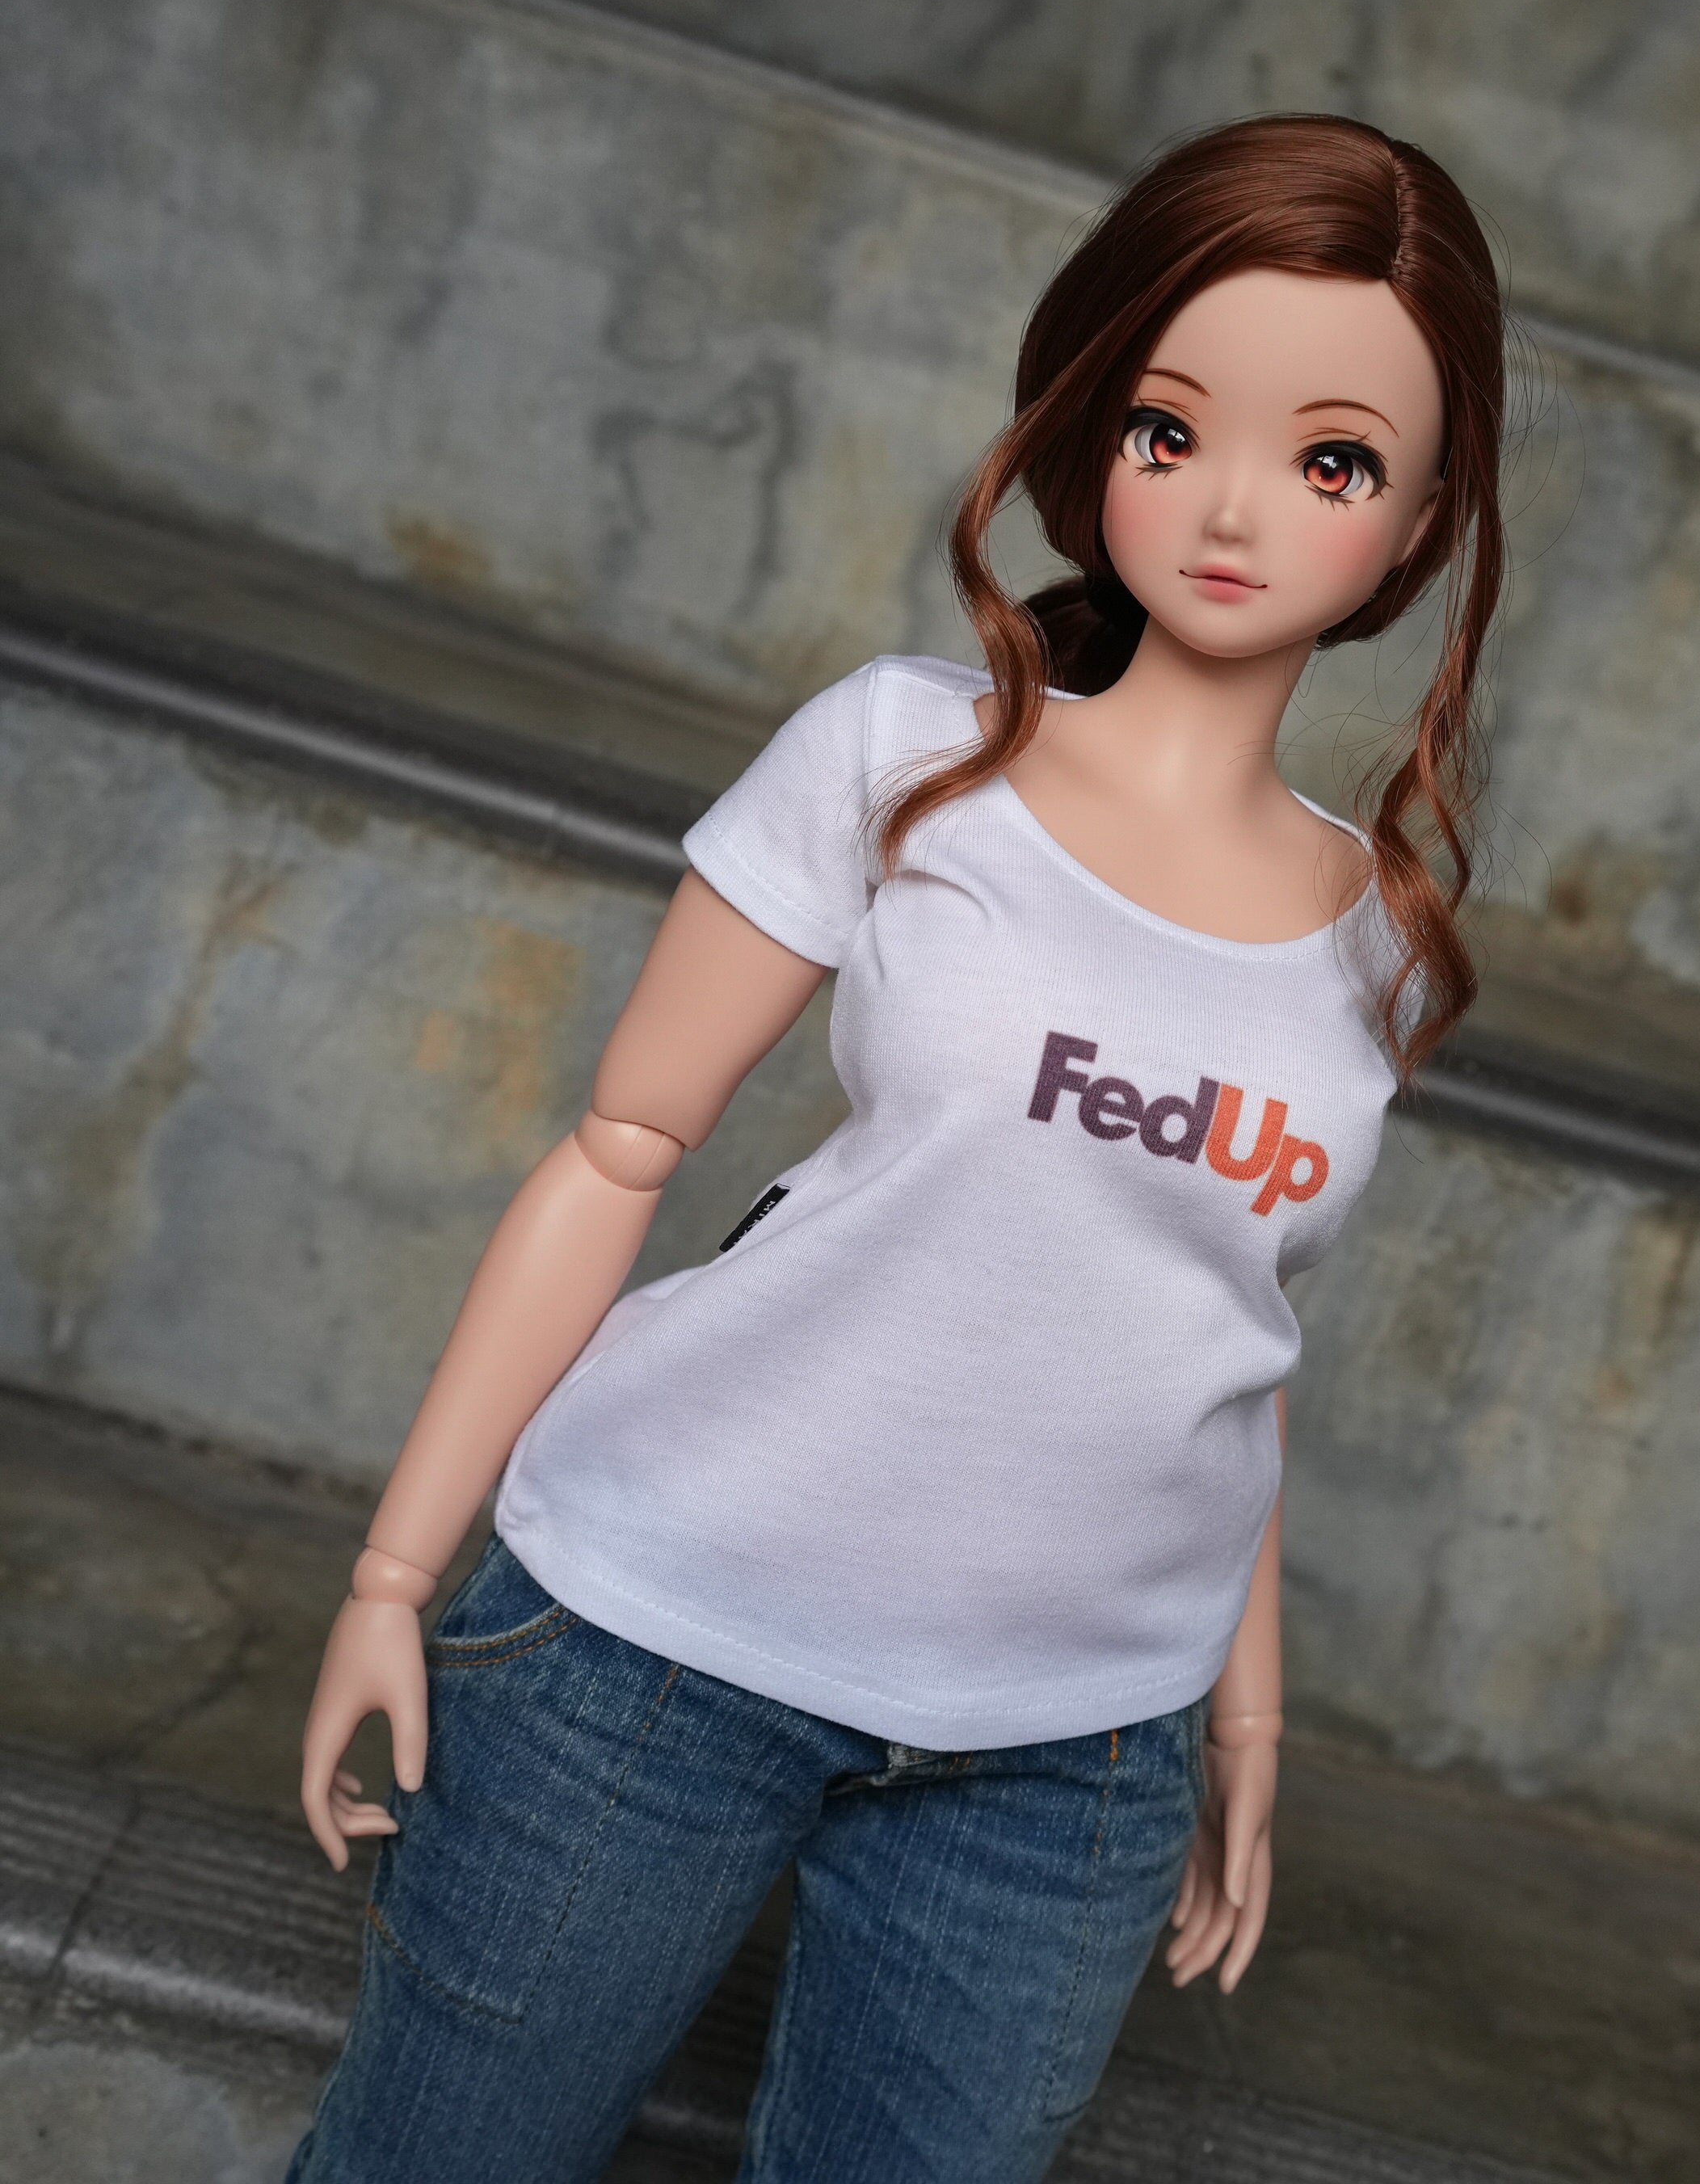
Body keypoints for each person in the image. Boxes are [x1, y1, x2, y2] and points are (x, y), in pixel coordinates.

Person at [287, 112, 1510, 2183]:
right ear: (1091, 429)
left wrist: (1242, 1717)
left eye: (1330, 461)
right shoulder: (907, 756)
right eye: (1169, 429)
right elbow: (618, 1148)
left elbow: (1224, 1336)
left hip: (1070, 1764)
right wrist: (395, 1571)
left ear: (1415, 522)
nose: (1232, 508)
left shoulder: (1375, 938)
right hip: (655, 1643)